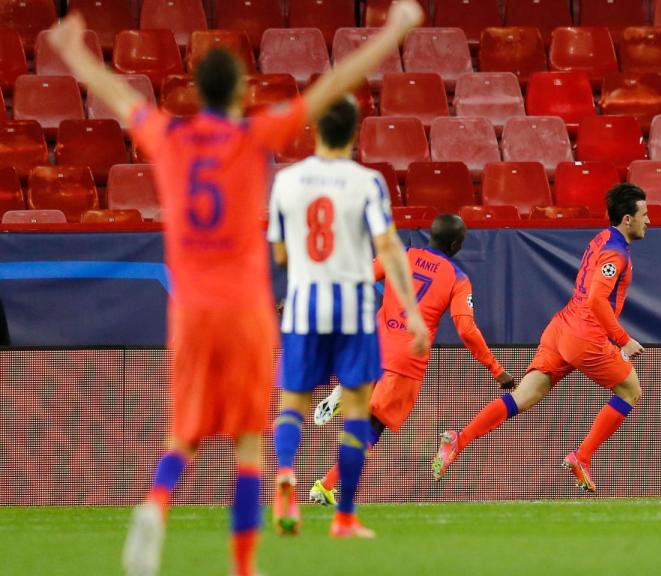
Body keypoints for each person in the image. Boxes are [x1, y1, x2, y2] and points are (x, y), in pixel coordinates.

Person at [45, 3, 424, 574]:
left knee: (186, 431)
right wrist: (395, 30)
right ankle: (244, 565)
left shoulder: (169, 134)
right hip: (247, 309)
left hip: (191, 310)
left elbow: (120, 99)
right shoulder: (254, 135)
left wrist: (73, 51)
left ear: (195, 91)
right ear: (241, 91)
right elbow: (335, 83)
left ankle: (155, 502)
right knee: (250, 437)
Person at [266, 97, 428, 539]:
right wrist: (413, 314)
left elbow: (280, 253)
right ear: (355, 136)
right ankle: (345, 515)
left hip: (304, 304)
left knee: (292, 405)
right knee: (358, 411)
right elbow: (390, 248)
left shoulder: (288, 181)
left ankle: (284, 475)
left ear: (316, 132)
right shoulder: (368, 182)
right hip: (352, 308)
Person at [432, 184, 650, 493]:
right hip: (586, 335)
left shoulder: (602, 238)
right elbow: (597, 301)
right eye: (645, 214)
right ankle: (582, 456)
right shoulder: (616, 253)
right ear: (627, 219)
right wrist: (622, 339)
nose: (649, 220)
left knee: (524, 396)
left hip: (561, 327)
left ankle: (459, 438)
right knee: (631, 391)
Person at [306, 213, 515, 506]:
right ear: (456, 244)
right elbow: (466, 329)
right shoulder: (457, 278)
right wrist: (496, 369)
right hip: (406, 359)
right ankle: (326, 485)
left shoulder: (400, 254)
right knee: (372, 428)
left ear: (431, 235)